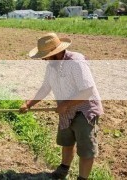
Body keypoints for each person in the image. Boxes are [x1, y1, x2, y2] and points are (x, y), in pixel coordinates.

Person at [20, 33, 103, 180]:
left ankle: (82, 178)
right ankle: (63, 170)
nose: (44, 59)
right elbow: (45, 88)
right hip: (66, 111)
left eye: (45, 55)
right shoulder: (51, 66)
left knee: (86, 150)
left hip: (84, 111)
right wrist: (29, 104)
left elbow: (87, 90)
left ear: (56, 52)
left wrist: (66, 104)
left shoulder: (76, 62)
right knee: (67, 142)